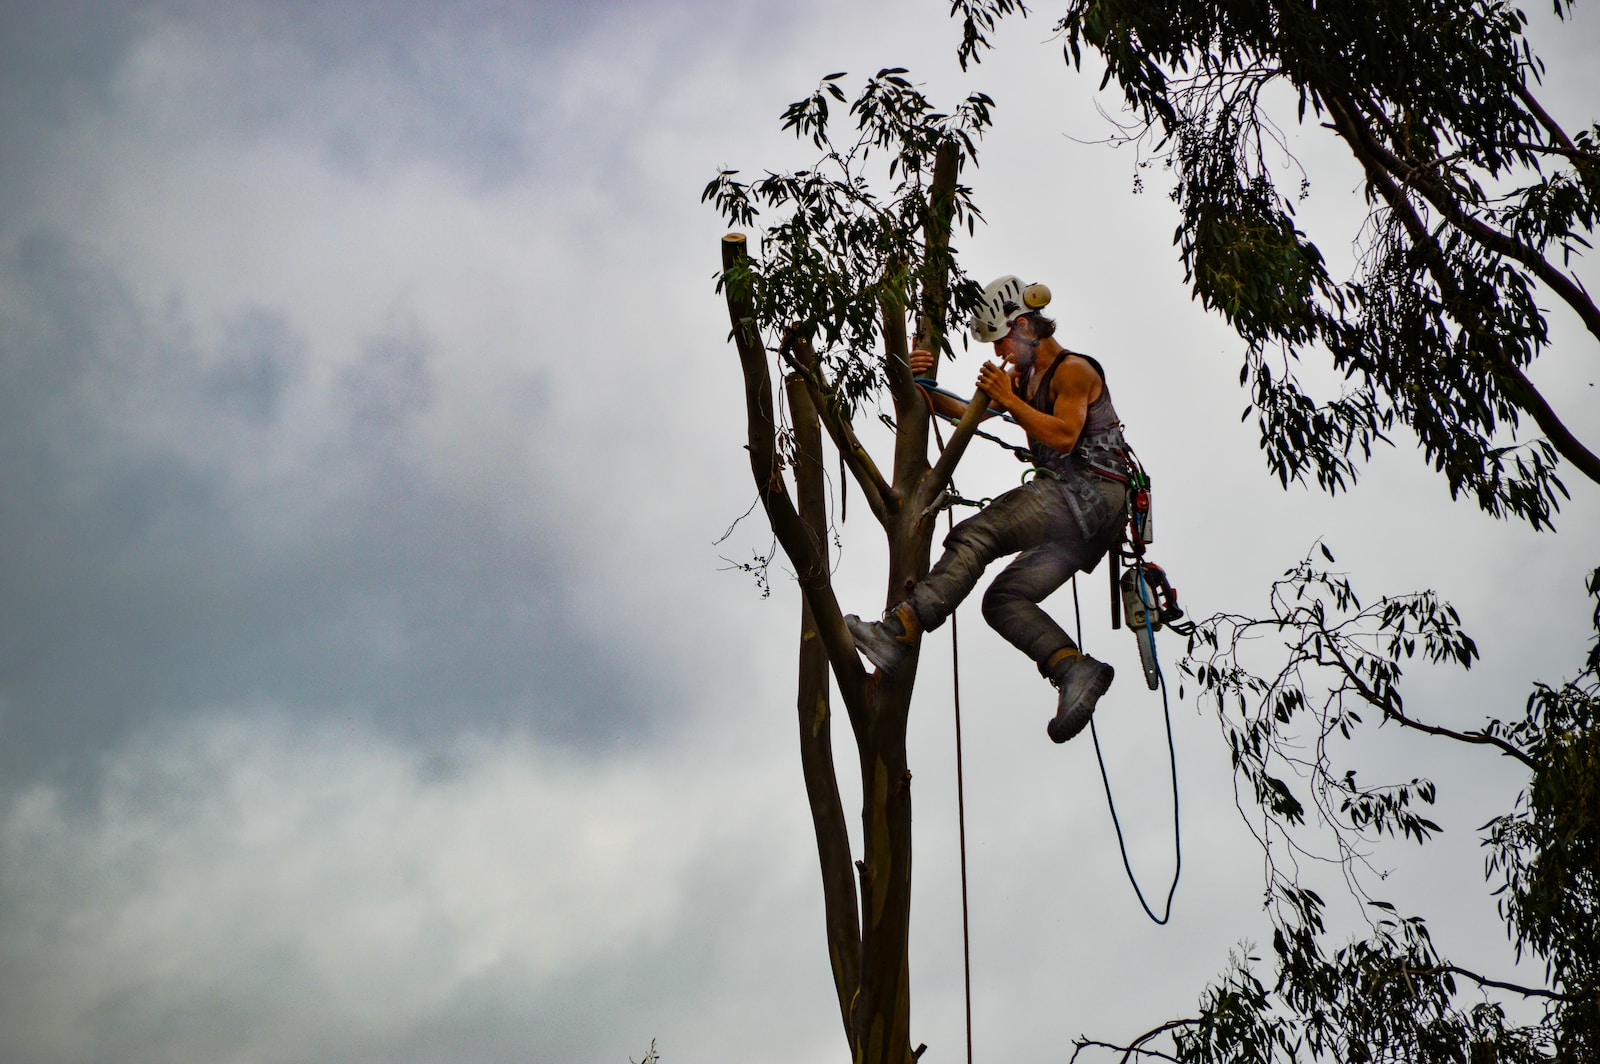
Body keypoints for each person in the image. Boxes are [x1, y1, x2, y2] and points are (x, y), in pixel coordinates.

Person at [845, 276, 1130, 742]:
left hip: (1090, 493)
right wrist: (920, 384)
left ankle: (901, 628)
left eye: (1002, 341)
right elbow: (969, 411)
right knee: (1003, 600)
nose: (1000, 353)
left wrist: (1010, 398)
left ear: (1023, 325)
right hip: (1081, 519)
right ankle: (1072, 667)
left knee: (979, 533)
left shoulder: (1073, 371)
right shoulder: (1025, 380)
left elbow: (1062, 436)